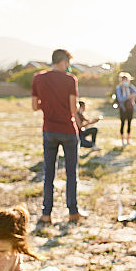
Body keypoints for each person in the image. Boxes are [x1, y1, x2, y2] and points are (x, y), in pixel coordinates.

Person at [31, 49, 85, 224]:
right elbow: (72, 109)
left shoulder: (38, 78)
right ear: (63, 62)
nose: (68, 66)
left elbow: (34, 106)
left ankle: (46, 214)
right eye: (68, 63)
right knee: (71, 173)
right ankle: (73, 212)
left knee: (49, 173)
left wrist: (47, 104)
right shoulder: (70, 80)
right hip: (68, 131)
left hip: (49, 130)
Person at [115, 72, 136, 146]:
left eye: (126, 80)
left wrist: (132, 93)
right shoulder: (119, 88)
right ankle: (122, 140)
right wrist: (129, 97)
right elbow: (120, 99)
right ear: (121, 80)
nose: (125, 82)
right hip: (123, 108)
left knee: (129, 123)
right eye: (124, 80)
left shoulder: (130, 87)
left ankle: (128, 140)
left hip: (130, 107)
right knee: (123, 123)